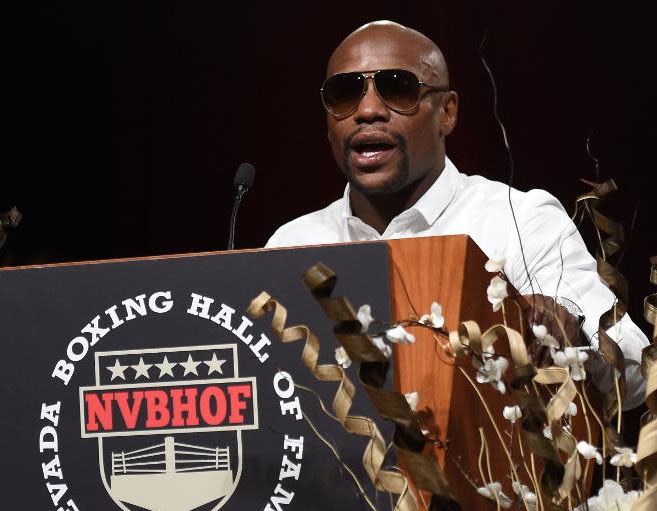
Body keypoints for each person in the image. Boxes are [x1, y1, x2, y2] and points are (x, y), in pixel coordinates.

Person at [265, 21, 648, 409]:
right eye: (345, 93)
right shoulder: (291, 245)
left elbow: (636, 377)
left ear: (447, 113)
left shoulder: (519, 220)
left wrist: (574, 325)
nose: (367, 110)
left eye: (398, 88)